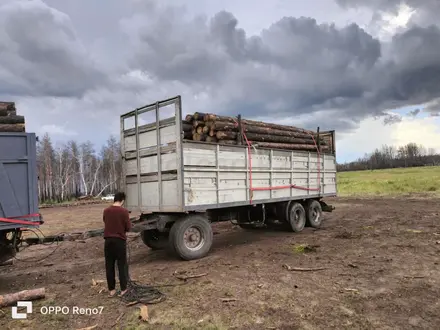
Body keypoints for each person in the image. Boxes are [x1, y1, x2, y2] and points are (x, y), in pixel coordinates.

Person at [103, 191, 131, 297]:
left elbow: (105, 222)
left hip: (108, 241)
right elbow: (128, 227)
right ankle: (123, 289)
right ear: (122, 200)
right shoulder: (124, 212)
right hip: (119, 241)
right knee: (121, 265)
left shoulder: (106, 211)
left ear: (114, 199)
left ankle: (112, 290)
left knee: (109, 265)